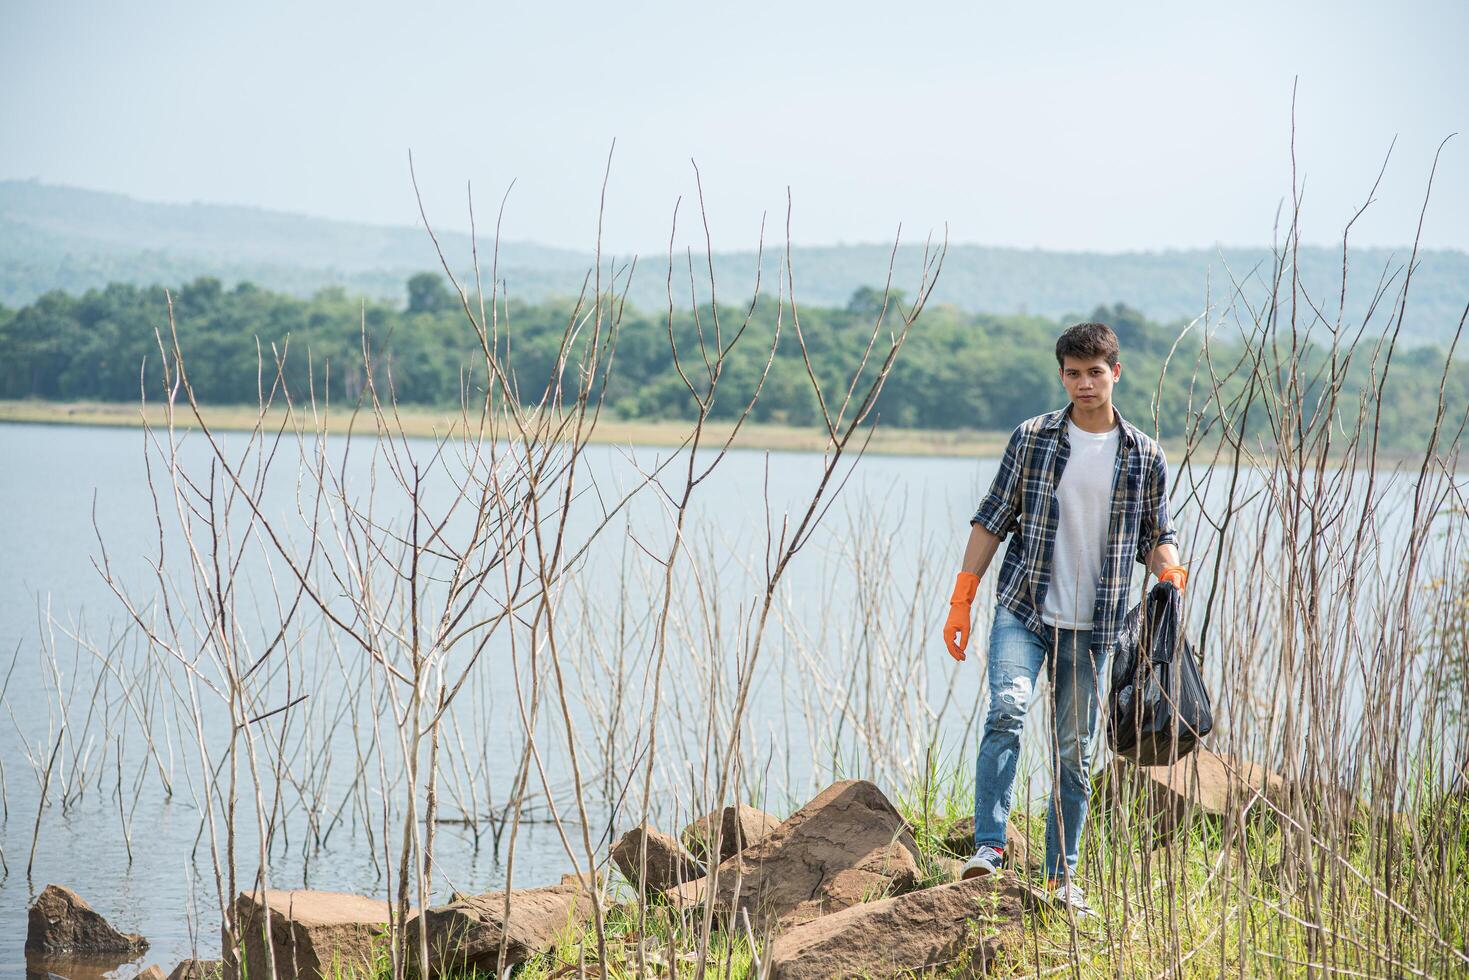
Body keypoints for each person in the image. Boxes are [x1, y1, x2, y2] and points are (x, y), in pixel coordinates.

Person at [941, 321, 1187, 918]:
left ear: (1116, 373)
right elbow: (992, 517)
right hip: (1025, 609)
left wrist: (1170, 576)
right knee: (1008, 709)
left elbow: (1155, 534)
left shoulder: (1143, 453)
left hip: (1096, 627)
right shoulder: (1033, 438)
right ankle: (989, 847)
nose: (1084, 383)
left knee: (1074, 752)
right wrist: (963, 595)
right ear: (1061, 375)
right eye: (1073, 373)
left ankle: (1060, 879)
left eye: (1095, 372)